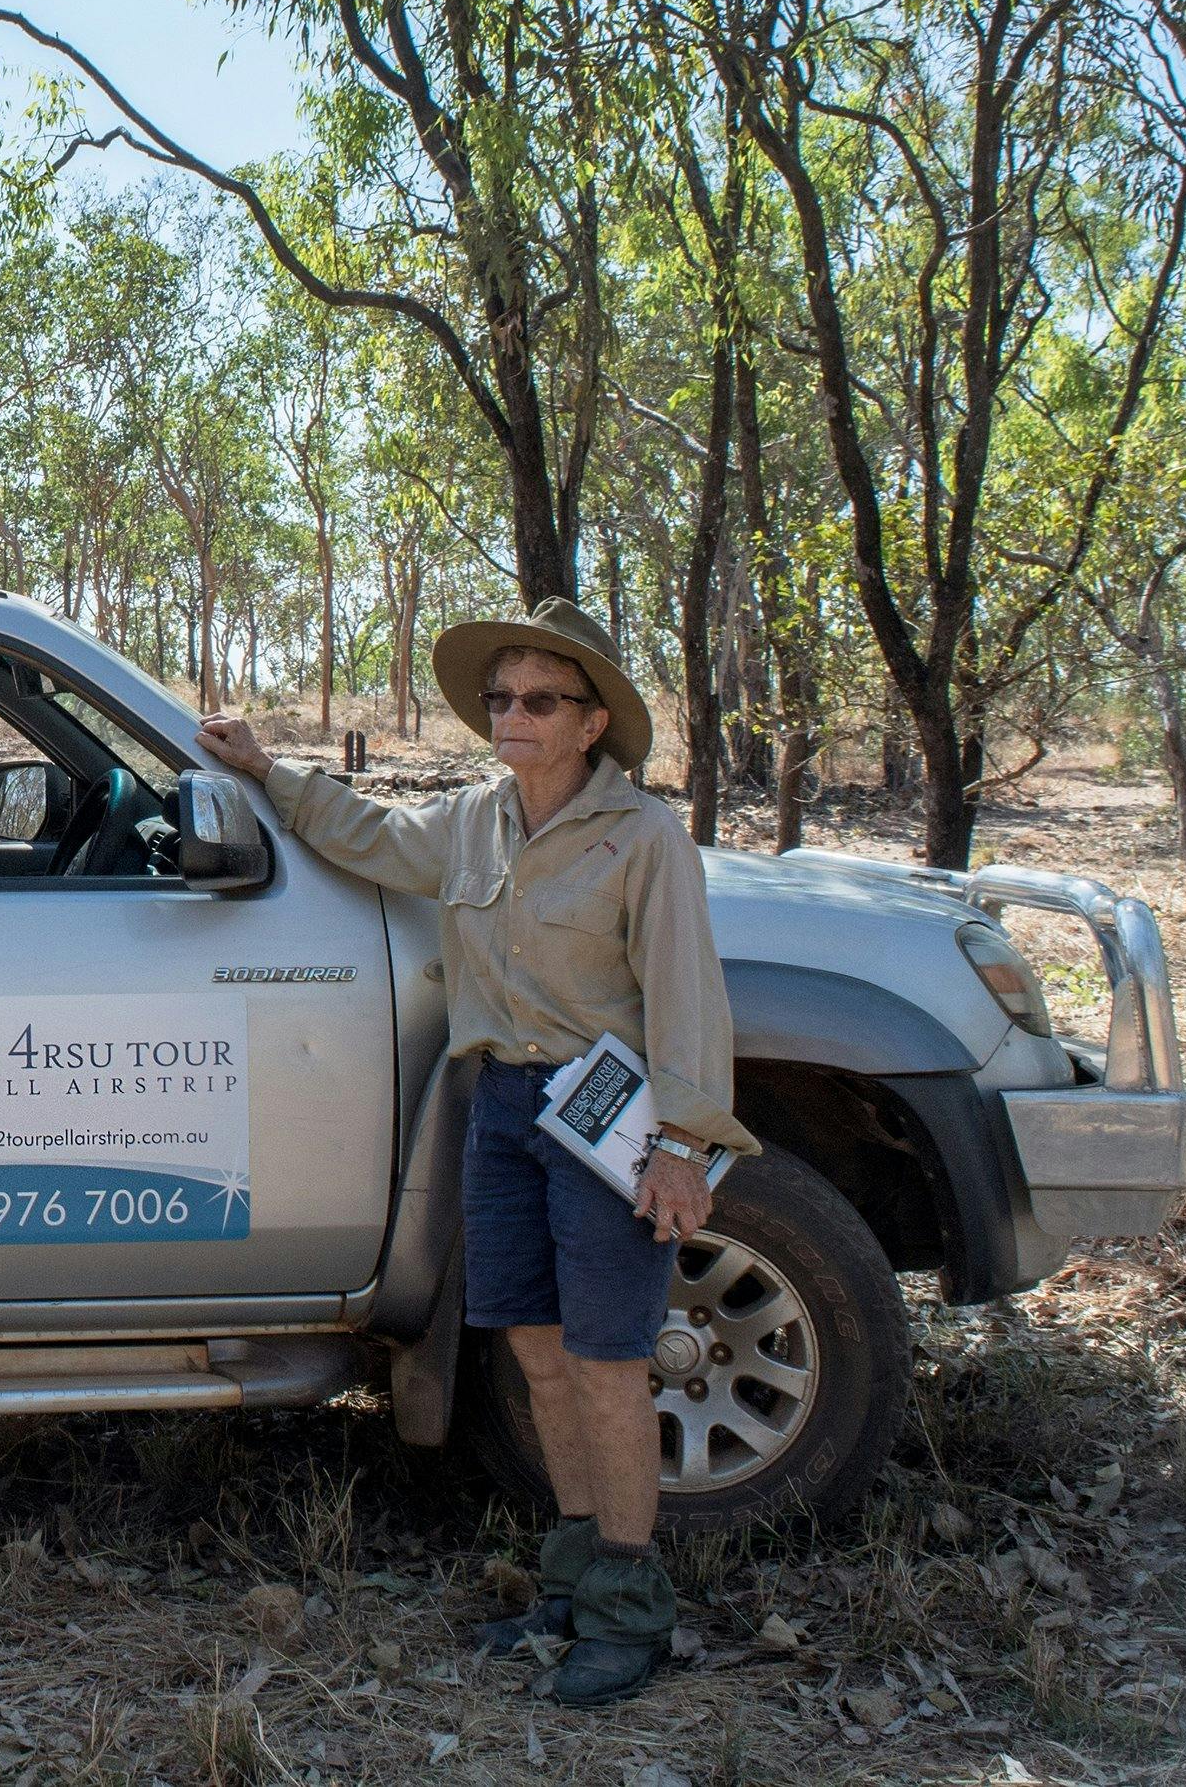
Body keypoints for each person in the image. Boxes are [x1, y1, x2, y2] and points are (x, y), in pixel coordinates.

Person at [198, 596, 753, 1707]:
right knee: (538, 1356)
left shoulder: (642, 841)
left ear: (591, 723)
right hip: (501, 1108)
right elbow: (365, 837)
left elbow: (688, 1001)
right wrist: (264, 768)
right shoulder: (473, 822)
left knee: (606, 1364)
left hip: (608, 1124)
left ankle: (630, 1611)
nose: (511, 714)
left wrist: (683, 1145)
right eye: (500, 696)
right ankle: (572, 1570)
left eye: (539, 698)